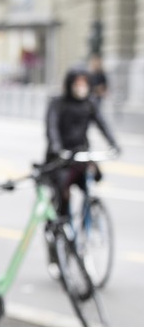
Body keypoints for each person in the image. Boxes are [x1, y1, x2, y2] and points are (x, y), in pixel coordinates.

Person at [45, 68, 121, 219]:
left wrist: (113, 143)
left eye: (84, 83)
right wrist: (57, 147)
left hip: (82, 153)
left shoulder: (89, 103)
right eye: (78, 83)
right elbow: (51, 127)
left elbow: (102, 124)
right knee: (63, 187)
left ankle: (89, 214)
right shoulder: (58, 103)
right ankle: (62, 220)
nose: (81, 87)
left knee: (94, 177)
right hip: (62, 156)